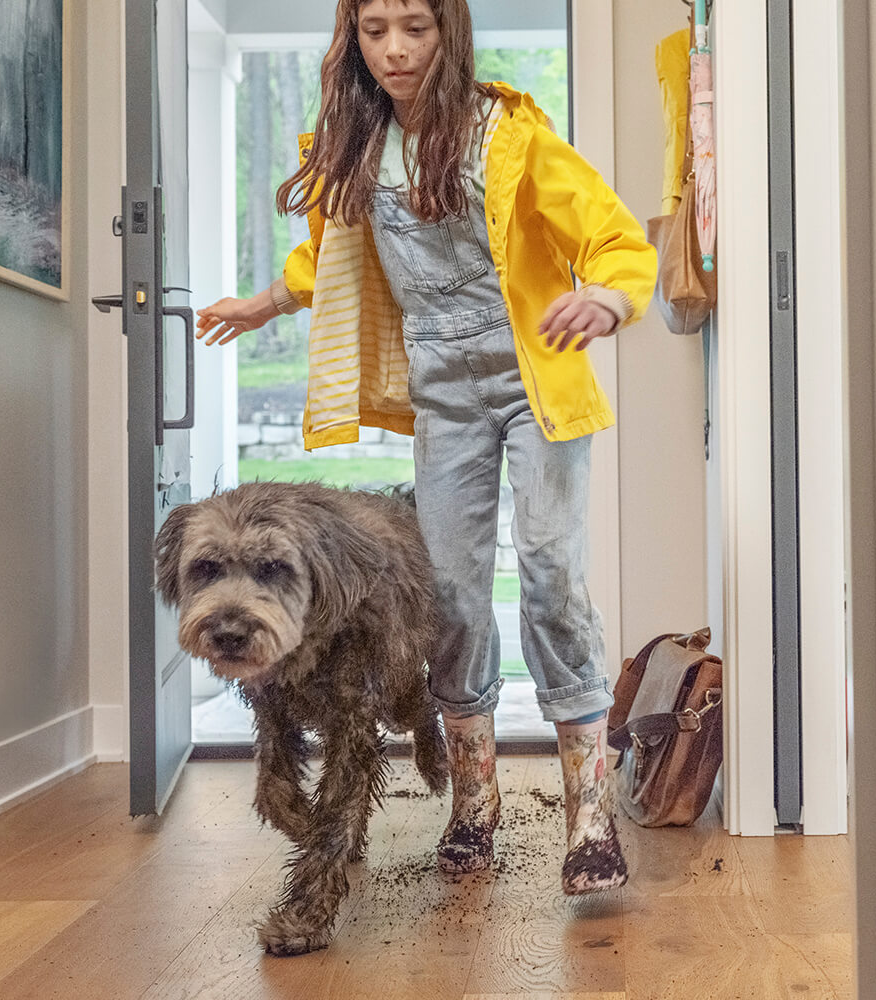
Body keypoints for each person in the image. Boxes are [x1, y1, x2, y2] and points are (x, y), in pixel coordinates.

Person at [194, 0, 656, 895]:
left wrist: (605, 297)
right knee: (449, 593)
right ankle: (475, 802)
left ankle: (589, 817)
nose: (396, 50)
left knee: (553, 575)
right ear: (353, 40)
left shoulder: (507, 134)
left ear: (449, 32)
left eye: (416, 26)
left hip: (535, 383)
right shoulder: (360, 148)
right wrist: (264, 303)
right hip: (445, 397)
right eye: (375, 31)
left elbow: (614, 236)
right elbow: (328, 254)